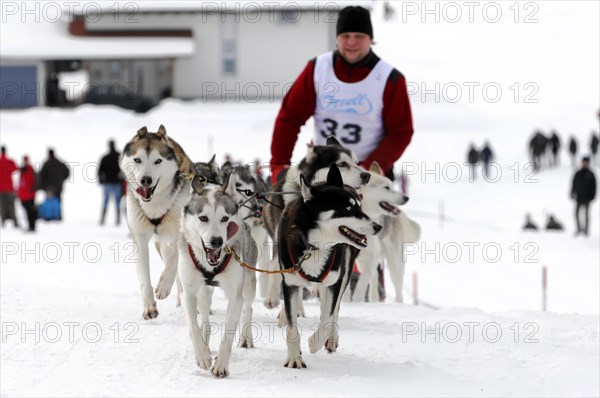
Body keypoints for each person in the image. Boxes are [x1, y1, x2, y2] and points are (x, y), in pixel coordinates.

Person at [269, 5, 413, 184]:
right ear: (337, 39)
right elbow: (289, 118)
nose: (351, 42)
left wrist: (372, 167)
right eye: (345, 36)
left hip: (368, 173)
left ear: (370, 39)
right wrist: (279, 166)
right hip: (322, 172)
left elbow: (400, 132)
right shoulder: (317, 70)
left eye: (359, 36)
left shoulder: (389, 79)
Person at [98, 140, 124, 226]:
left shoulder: (106, 157)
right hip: (116, 183)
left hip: (109, 183)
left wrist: (101, 180)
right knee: (117, 202)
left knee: (107, 201)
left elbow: (100, 170)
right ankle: (117, 219)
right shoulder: (119, 156)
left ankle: (103, 219)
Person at [39, 148, 69, 220]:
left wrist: (43, 185)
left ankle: (48, 216)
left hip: (48, 187)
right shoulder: (60, 163)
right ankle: (58, 216)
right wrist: (61, 180)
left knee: (49, 202)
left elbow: (41, 175)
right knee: (57, 202)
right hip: (58, 187)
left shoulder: (47, 164)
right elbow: (67, 173)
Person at [571, 156, 597, 236]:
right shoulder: (578, 173)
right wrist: (572, 192)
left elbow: (594, 186)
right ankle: (579, 228)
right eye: (583, 162)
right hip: (579, 197)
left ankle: (586, 230)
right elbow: (574, 184)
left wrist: (592, 196)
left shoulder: (591, 174)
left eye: (586, 162)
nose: (584, 164)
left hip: (587, 198)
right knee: (576, 213)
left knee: (586, 214)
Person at [0, 146, 19, 227]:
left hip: (0, 188)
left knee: (2, 206)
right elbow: (16, 168)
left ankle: (3, 221)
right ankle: (14, 222)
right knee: (12, 206)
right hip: (9, 188)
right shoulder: (9, 161)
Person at [17, 155, 38, 232]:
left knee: (31, 212)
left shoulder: (30, 169)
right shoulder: (22, 170)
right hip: (23, 196)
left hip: (29, 196)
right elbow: (20, 183)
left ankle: (32, 227)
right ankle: (30, 226)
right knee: (27, 212)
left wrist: (33, 192)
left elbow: (33, 182)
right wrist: (18, 193)